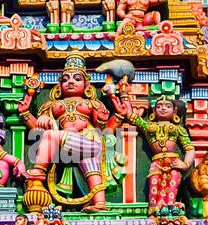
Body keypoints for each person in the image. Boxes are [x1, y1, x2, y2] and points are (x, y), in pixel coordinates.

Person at [17, 49, 129, 212]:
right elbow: (38, 131)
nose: (70, 82)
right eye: (65, 79)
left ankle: (39, 170)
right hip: (68, 144)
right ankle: (100, 204)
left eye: (77, 79)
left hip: (90, 140)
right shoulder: (52, 106)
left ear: (86, 84)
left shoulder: (92, 104)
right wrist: (26, 113)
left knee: (88, 161)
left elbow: (106, 130)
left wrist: (118, 115)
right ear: (59, 85)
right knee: (90, 167)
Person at [126, 97, 195, 215]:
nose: (163, 108)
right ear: (154, 110)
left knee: (171, 186)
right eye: (159, 107)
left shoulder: (178, 129)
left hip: (173, 162)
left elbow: (189, 148)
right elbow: (132, 117)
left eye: (168, 106)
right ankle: (154, 212)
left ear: (175, 111)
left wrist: (185, 164)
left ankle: (169, 211)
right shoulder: (149, 127)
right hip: (157, 162)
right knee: (155, 185)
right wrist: (124, 95)